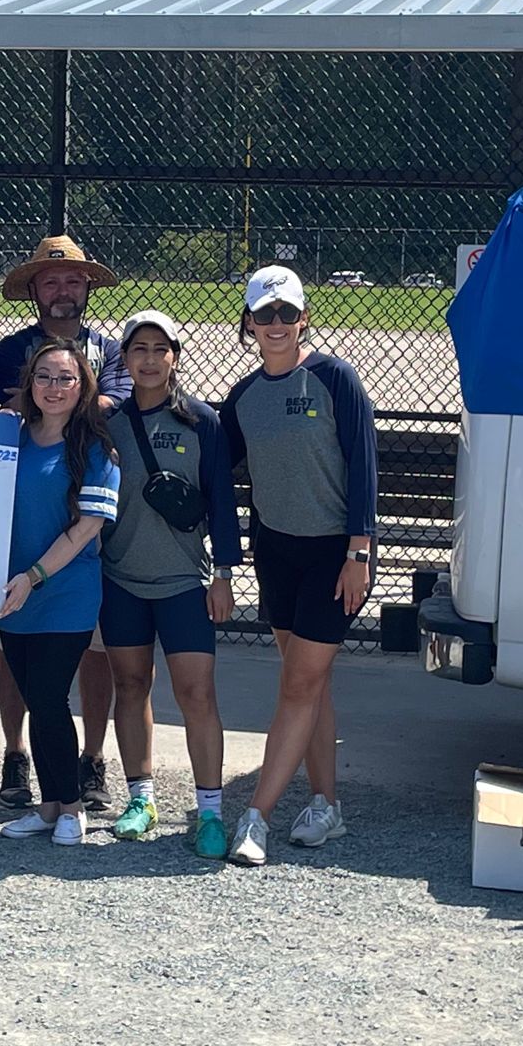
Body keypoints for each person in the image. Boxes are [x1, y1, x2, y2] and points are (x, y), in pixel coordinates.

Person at [220, 266, 377, 867]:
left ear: (304, 317)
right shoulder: (245, 397)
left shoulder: (335, 378)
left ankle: (256, 815)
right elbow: (215, 462)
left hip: (334, 555)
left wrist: (359, 553)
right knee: (310, 684)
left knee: (299, 684)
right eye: (266, 315)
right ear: (249, 324)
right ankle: (327, 805)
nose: (277, 325)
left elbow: (363, 466)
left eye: (288, 313)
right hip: (275, 552)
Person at [0, 235, 131, 815]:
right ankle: (17, 757)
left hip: (89, 512)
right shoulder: (9, 350)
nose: (63, 290)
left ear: (86, 288)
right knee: (15, 649)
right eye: (51, 280)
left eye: (73, 280)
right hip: (24, 521)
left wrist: (67, 401)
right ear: (35, 291)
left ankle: (90, 762)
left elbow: (112, 405)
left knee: (91, 651)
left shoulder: (109, 350)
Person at [100, 311, 243, 858]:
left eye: (161, 349)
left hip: (184, 580)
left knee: (196, 694)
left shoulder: (202, 422)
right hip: (122, 578)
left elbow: (224, 507)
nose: (150, 359)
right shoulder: (108, 423)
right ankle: (141, 798)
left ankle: (209, 811)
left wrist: (224, 575)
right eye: (139, 348)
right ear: (125, 358)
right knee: (131, 687)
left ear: (176, 357)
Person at [0, 338, 121, 847]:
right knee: (33, 698)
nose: (54, 387)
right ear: (29, 384)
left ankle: (71, 807)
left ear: (82, 385)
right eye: (43, 377)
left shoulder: (95, 450)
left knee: (49, 697)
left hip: (62, 592)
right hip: (10, 593)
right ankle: (47, 807)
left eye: (65, 378)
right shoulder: (10, 439)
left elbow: (86, 528)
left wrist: (34, 577)